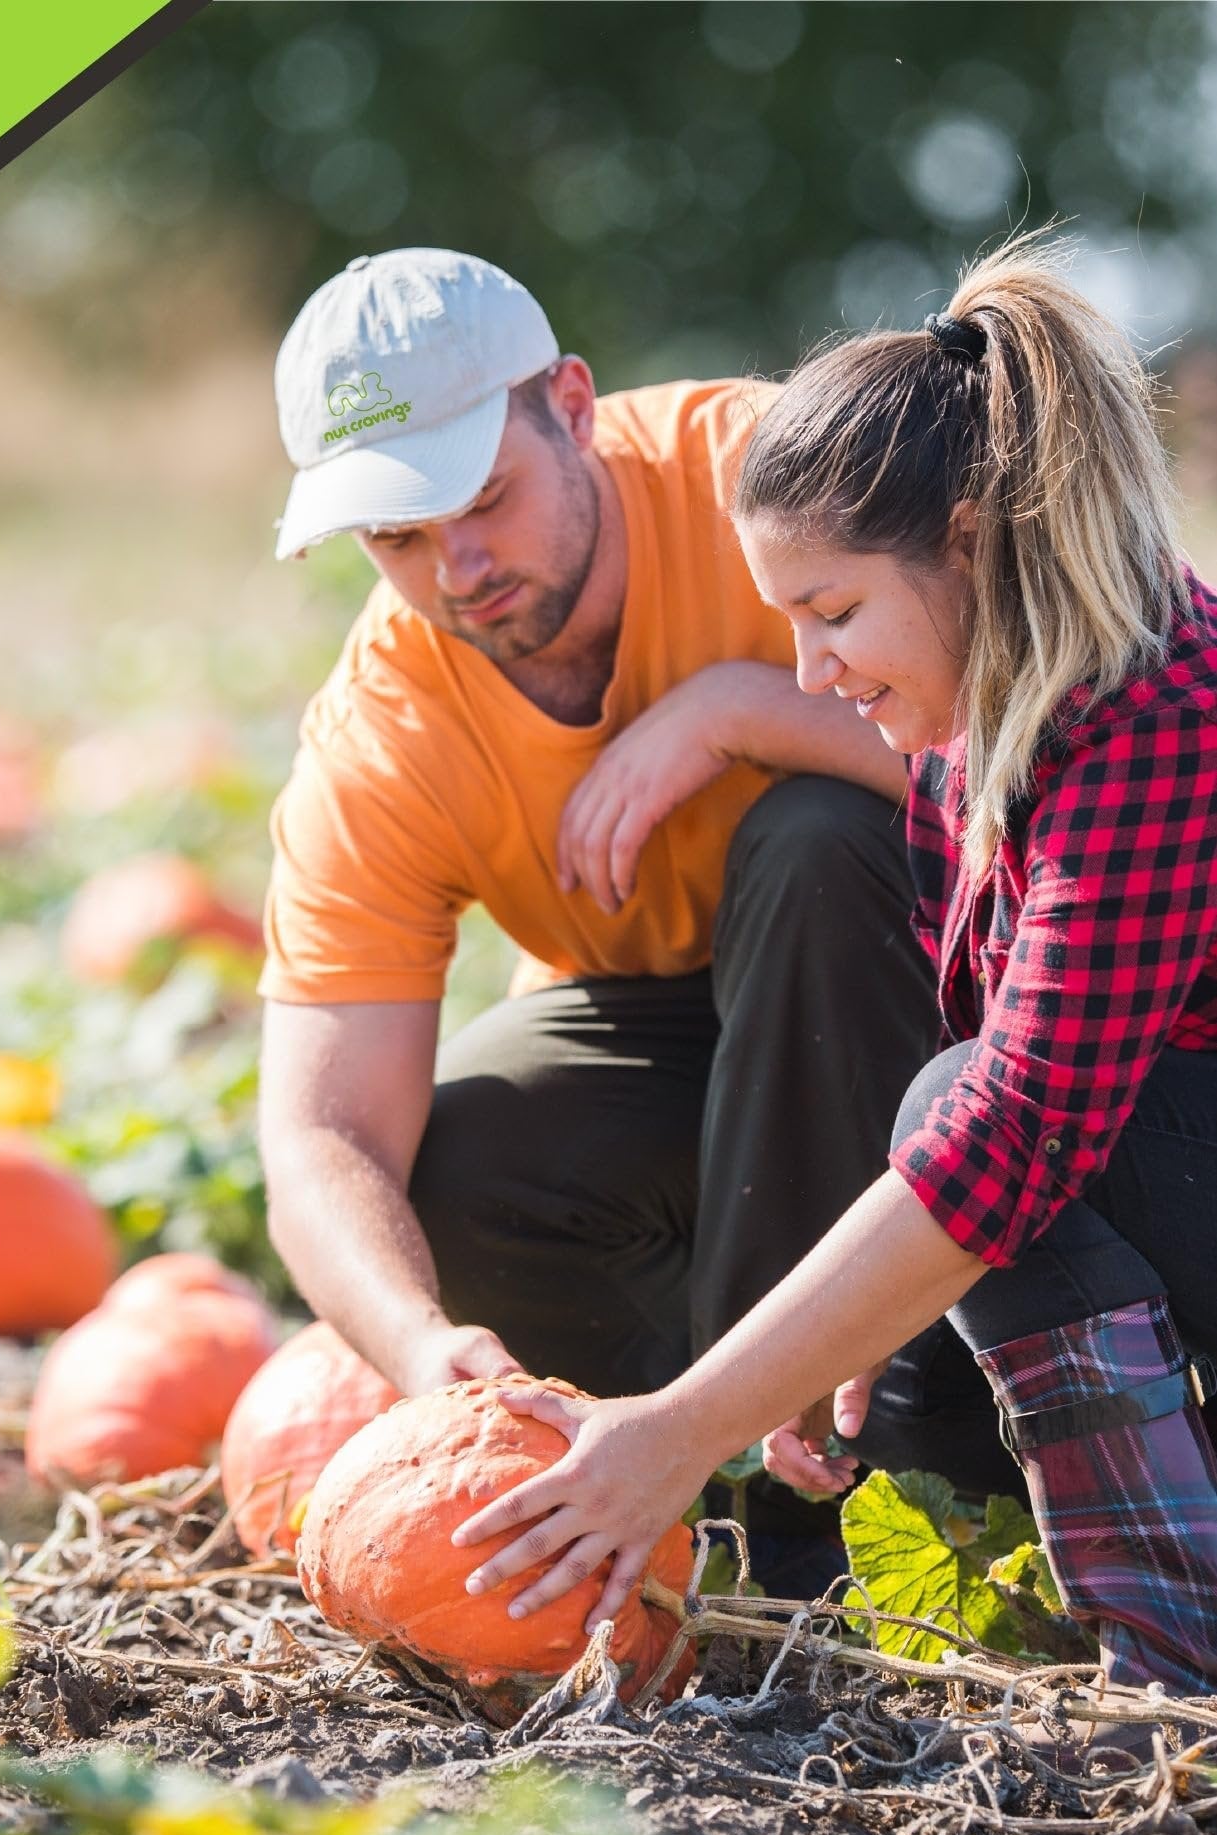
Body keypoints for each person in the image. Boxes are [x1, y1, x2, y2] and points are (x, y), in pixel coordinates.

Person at [452, 238, 1216, 1693]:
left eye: (835, 615)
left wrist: (681, 1421)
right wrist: (826, 1347)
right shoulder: (980, 731)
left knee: (953, 1114)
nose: (811, 674)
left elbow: (1013, 1130)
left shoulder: (1159, 717)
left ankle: (1178, 1657)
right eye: (787, 625)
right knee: (900, 1412)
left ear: (973, 543)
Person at [255, 248, 1008, 1537]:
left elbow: (1067, 749)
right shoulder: (386, 731)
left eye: (484, 497)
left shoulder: (785, 476)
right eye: (397, 536)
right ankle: (731, 1476)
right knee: (463, 1169)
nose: (458, 566)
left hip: (959, 1013)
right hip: (692, 1050)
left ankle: (878, 1489)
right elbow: (324, 1137)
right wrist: (421, 1344)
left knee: (816, 842)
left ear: (572, 406)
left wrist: (742, 709)